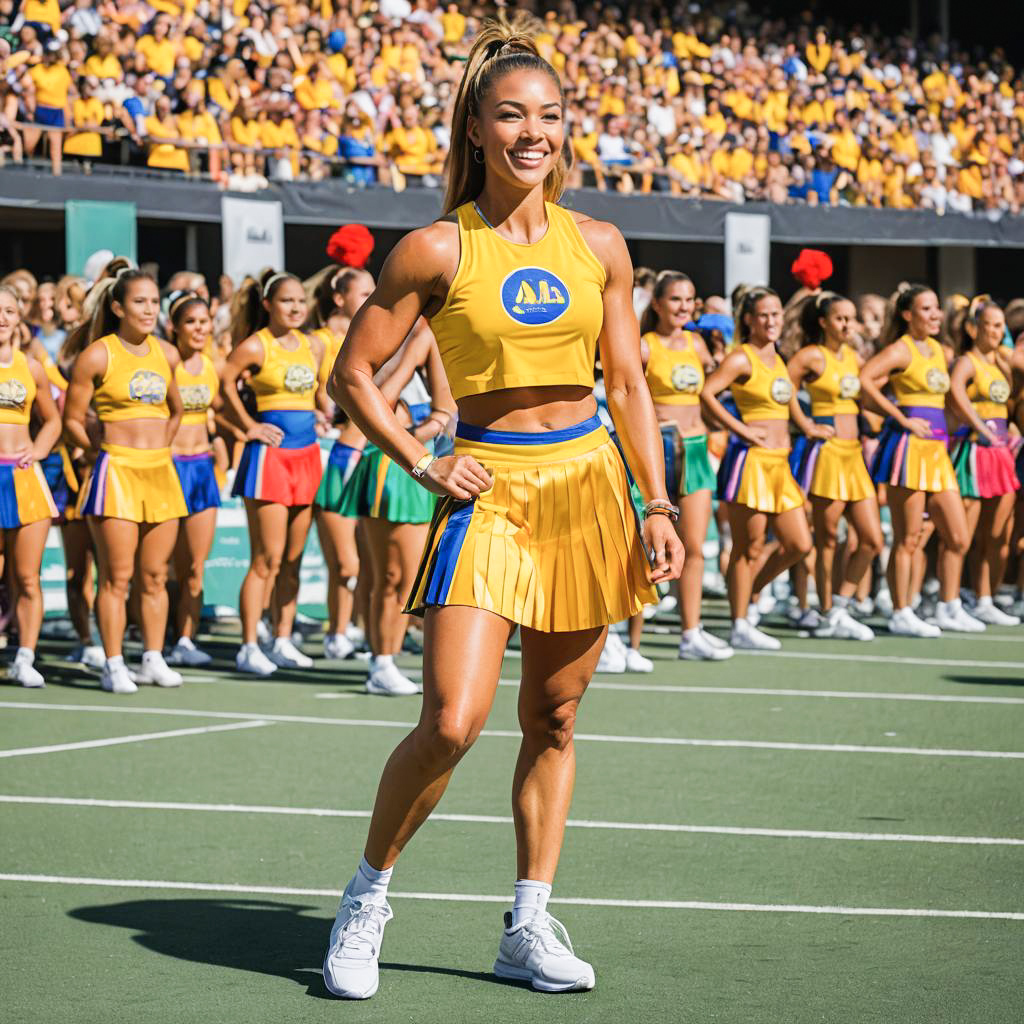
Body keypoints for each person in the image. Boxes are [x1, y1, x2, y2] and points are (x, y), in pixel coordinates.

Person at [321, 13, 681, 1000]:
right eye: (511, 115)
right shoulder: (435, 248)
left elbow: (629, 381)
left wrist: (658, 502)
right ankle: (366, 896)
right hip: (486, 488)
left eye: (551, 115)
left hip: (589, 486)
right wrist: (421, 462)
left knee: (555, 715)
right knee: (450, 717)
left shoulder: (600, 242)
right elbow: (353, 375)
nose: (533, 132)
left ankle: (526, 921)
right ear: (474, 128)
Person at [63, 269, 187, 693]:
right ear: (117, 307)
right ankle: (113, 662)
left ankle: (153, 656)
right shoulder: (98, 355)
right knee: (116, 576)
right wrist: (102, 454)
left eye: (154, 301)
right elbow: (72, 422)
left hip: (160, 473)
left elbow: (177, 410)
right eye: (140, 302)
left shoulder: (167, 353)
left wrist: (162, 448)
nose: (150, 309)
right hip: (115, 474)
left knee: (155, 575)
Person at [701, 286, 827, 651]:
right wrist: (740, 430)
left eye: (776, 314)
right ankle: (740, 622)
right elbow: (707, 393)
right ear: (749, 320)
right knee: (748, 546)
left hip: (780, 462)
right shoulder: (741, 358)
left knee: (800, 544)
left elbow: (787, 403)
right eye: (764, 315)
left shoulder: (780, 358)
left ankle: (751, 590)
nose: (772, 321)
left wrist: (807, 427)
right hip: (750, 462)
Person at [339, 321, 454, 694]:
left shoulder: (434, 338)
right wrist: (411, 353)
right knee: (390, 578)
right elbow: (376, 408)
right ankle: (382, 662)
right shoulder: (386, 342)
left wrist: (423, 432)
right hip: (388, 469)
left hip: (417, 464)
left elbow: (444, 409)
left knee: (399, 578)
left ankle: (384, 659)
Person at [221, 270, 325, 675]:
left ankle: (282, 638)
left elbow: (317, 392)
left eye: (301, 301)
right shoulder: (255, 345)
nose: (296, 308)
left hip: (307, 455)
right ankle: (249, 645)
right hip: (269, 459)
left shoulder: (313, 345)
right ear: (268, 305)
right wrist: (249, 426)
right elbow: (224, 383)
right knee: (266, 558)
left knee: (294, 559)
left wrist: (319, 409)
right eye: (287, 301)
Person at [860, 284, 978, 635]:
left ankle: (949, 605)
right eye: (926, 309)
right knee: (907, 538)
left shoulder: (941, 351)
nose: (935, 315)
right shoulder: (901, 349)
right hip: (907, 450)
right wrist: (900, 416)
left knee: (958, 536)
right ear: (907, 315)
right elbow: (865, 380)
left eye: (935, 309)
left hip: (937, 451)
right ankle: (900, 610)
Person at [639, 270, 732, 660]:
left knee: (694, 546)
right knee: (648, 544)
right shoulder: (644, 346)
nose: (684, 307)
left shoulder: (697, 344)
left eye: (689, 299)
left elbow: (714, 385)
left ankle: (690, 633)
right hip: (658, 451)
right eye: (675, 299)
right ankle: (629, 638)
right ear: (657, 304)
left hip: (695, 449)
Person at [787, 293, 883, 639]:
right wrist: (807, 424)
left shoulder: (857, 358)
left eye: (851, 318)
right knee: (826, 538)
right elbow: (783, 388)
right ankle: (827, 610)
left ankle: (840, 605)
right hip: (826, 454)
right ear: (824, 322)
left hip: (854, 454)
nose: (847, 325)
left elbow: (864, 398)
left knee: (871, 539)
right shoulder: (811, 355)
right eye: (841, 318)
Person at [309, 266, 375, 660]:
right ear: (339, 298)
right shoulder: (318, 342)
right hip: (334, 453)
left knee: (369, 562)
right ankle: (334, 633)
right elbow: (316, 390)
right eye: (363, 292)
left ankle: (364, 634)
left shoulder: (379, 337)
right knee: (345, 563)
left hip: (372, 455)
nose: (372, 298)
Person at [0, 284, 61, 687]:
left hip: (23, 478)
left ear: (19, 316)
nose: (1, 319)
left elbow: (53, 419)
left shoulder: (31, 366)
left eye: (8, 310)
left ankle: (25, 656)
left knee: (27, 577)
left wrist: (38, 449)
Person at [948, 298, 1020, 626]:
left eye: (999, 325)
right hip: (975, 453)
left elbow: (1013, 400)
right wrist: (978, 425)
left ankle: (984, 597)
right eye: (989, 324)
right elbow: (954, 392)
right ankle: (951, 598)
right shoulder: (968, 361)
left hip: (1001, 455)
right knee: (964, 533)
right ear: (975, 328)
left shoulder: (1001, 364)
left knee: (997, 535)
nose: (994, 331)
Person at [166, 291, 222, 665]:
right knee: (158, 566)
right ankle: (155, 637)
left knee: (194, 566)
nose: (200, 329)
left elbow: (224, 408)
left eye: (204, 321)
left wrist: (240, 432)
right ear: (175, 327)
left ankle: (186, 639)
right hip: (167, 467)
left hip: (201, 467)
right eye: (191, 322)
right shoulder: (166, 363)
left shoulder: (214, 364)